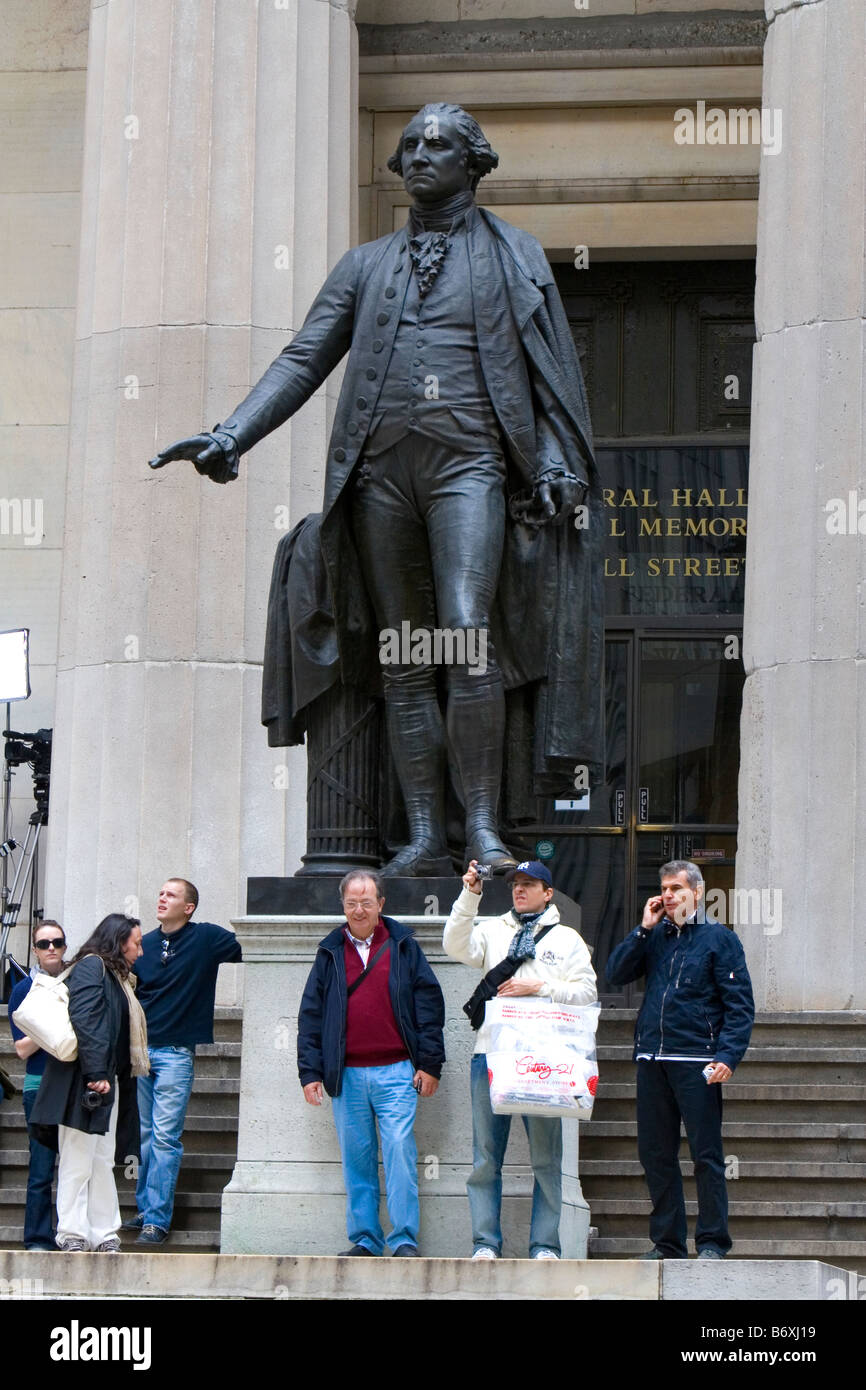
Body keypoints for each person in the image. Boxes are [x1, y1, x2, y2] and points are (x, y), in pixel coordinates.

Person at [149, 101, 603, 877]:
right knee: (403, 655)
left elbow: (551, 374)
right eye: (411, 145)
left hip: (471, 467)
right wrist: (232, 434)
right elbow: (303, 358)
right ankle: (426, 835)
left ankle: (485, 830)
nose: (422, 155)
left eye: (440, 145)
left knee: (463, 629)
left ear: (473, 163)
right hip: (380, 476)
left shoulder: (515, 255)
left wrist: (558, 461)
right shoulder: (363, 266)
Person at [443, 858, 597, 1259]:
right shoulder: (493, 930)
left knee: (547, 1160)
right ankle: (485, 1243)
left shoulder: (567, 939)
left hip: (546, 1062)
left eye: (530, 884)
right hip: (492, 1055)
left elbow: (587, 994)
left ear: (548, 893)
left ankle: (545, 1245)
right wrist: (469, 894)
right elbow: (455, 946)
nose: (519, 889)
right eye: (515, 883)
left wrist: (541, 987)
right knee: (484, 1158)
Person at [606, 860, 755, 1260]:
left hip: (697, 1060)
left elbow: (739, 1007)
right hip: (652, 1059)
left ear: (697, 892)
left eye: (677, 889)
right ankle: (667, 1244)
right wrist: (643, 928)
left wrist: (728, 1055)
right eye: (664, 889)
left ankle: (711, 1242)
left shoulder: (720, 940)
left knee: (706, 1154)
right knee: (655, 1154)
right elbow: (616, 973)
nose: (669, 896)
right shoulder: (654, 937)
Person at [297, 869, 445, 1256]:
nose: (358, 910)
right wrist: (310, 1071)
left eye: (366, 902)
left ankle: (404, 1239)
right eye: (351, 903)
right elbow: (311, 1016)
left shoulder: (403, 945)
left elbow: (429, 1007)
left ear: (381, 903)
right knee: (357, 1160)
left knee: (399, 1150)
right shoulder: (329, 951)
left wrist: (430, 1064)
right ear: (342, 905)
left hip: (398, 1071)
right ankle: (365, 1239)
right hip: (346, 1075)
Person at [124, 877, 242, 1246]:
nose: (162, 898)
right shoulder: (144, 943)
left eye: (171, 895)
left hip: (176, 1053)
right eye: (160, 893)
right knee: (145, 1136)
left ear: (188, 907)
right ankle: (145, 1208)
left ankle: (157, 1220)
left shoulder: (206, 938)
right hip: (141, 1051)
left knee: (164, 1137)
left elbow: (254, 946)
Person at [29, 914, 148, 1252]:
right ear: (119, 940)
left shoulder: (115, 976)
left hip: (104, 1080)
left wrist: (104, 1075)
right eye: (136, 943)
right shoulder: (91, 967)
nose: (140, 951)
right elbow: (86, 1018)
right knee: (78, 1158)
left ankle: (103, 1233)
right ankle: (72, 1234)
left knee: (100, 1158)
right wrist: (96, 1074)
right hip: (84, 1082)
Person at [7, 920, 67, 1250]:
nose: (51, 948)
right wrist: (53, 1022)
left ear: (65, 946)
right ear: (34, 950)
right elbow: (22, 1049)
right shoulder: (22, 990)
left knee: (76, 1168)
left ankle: (71, 1234)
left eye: (57, 942)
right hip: (38, 1086)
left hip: (72, 1084)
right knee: (41, 1168)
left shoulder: (77, 984)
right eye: (44, 944)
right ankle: (38, 1239)